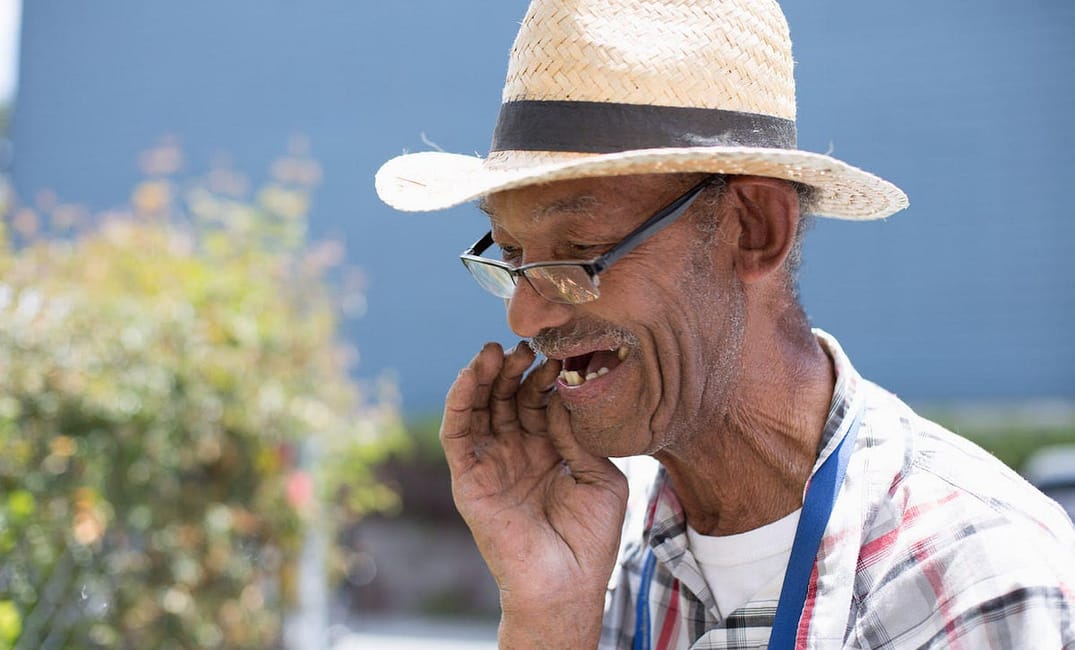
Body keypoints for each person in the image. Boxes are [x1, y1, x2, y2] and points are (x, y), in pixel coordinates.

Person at [376, 0, 1075, 647]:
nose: (524, 314)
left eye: (582, 253)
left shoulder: (973, 579)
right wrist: (548, 614)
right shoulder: (605, 549)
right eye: (513, 255)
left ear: (753, 229)